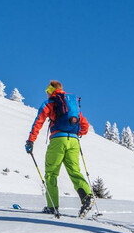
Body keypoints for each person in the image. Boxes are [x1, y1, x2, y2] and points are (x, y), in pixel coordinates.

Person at [25, 80, 94, 217]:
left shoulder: (50, 103)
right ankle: (87, 197)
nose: (46, 93)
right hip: (74, 142)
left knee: (51, 173)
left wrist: (31, 140)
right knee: (74, 171)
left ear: (51, 90)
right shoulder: (71, 105)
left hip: (58, 140)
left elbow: (39, 121)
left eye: (47, 91)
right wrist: (75, 134)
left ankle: (52, 207)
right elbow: (85, 126)